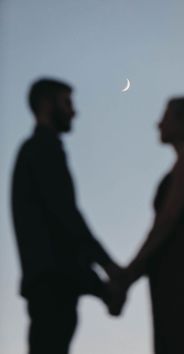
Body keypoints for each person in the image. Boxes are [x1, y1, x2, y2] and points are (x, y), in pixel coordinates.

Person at [11, 78, 121, 354]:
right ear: (47, 104)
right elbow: (65, 219)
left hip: (52, 287)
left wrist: (100, 287)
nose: (74, 112)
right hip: (53, 289)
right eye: (67, 103)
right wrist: (107, 268)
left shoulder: (37, 150)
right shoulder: (42, 149)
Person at [112, 97, 184, 354]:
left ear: (183, 120)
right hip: (168, 271)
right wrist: (131, 275)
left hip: (179, 272)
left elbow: (167, 221)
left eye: (166, 116)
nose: (158, 123)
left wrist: (127, 276)